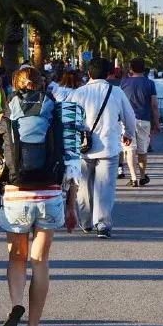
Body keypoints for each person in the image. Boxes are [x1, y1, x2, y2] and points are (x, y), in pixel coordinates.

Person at [0, 66, 79, 326]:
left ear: (14, 86)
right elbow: (72, 165)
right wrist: (71, 207)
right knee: (40, 261)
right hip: (49, 196)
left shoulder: (2, 117)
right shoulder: (59, 113)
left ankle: (16, 306)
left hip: (15, 196)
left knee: (16, 258)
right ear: (42, 84)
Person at [68, 58, 136, 238]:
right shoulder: (117, 92)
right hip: (109, 147)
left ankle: (86, 222)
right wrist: (128, 134)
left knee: (83, 185)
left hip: (82, 149)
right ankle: (102, 224)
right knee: (105, 187)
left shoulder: (78, 93)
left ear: (88, 73)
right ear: (108, 74)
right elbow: (130, 117)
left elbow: (67, 119)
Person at [121, 58, 161, 187]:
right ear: (144, 69)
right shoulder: (150, 83)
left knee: (130, 150)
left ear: (131, 69)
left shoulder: (124, 83)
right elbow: (154, 105)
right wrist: (157, 122)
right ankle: (143, 176)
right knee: (142, 151)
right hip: (144, 121)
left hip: (127, 121)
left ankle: (133, 179)